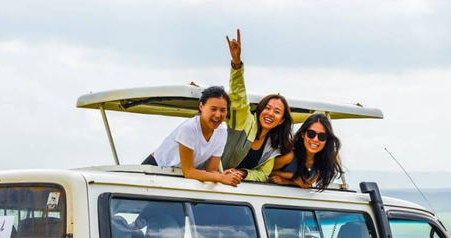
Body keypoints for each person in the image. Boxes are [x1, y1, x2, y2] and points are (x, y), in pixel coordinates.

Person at [222, 30, 293, 182]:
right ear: (260, 110)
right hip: (206, 176)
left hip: (232, 187)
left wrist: (242, 173)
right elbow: (238, 95)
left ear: (281, 120)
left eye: (277, 111)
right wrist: (236, 63)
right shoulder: (245, 121)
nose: (270, 113)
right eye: (267, 108)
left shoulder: (273, 148)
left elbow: (262, 174)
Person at [142, 86, 241, 187]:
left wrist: (223, 175)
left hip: (177, 175)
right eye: (213, 109)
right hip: (155, 168)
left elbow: (211, 171)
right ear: (201, 107)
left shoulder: (222, 133)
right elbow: (188, 171)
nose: (218, 115)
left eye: (223, 110)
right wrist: (221, 178)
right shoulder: (189, 128)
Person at [269, 113, 342, 191]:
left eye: (322, 136)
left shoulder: (323, 162)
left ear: (327, 140)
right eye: (311, 134)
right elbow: (266, 171)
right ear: (303, 134)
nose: (315, 139)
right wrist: (292, 176)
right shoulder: (289, 156)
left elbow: (307, 184)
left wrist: (286, 181)